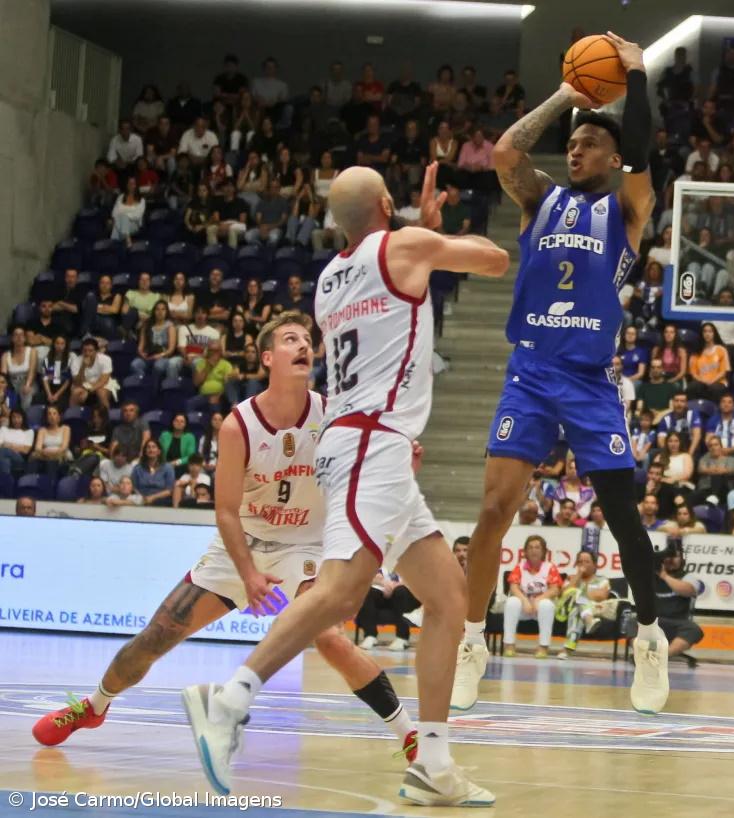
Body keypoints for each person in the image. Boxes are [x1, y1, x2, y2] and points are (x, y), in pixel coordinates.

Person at [181, 163, 508, 807]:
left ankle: (433, 763)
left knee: (448, 600)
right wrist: (428, 234)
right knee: (338, 593)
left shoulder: (331, 278)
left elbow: (389, 276)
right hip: (371, 442)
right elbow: (496, 259)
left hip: (363, 441)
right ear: (389, 204)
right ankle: (228, 700)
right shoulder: (405, 245)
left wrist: (420, 236)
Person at [33, 312, 419, 763]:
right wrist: (249, 574)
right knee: (158, 634)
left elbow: (366, 470)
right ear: (268, 357)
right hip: (245, 543)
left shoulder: (332, 414)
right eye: (291, 338)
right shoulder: (239, 425)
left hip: (306, 547)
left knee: (330, 638)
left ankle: (411, 737)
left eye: (308, 340)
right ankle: (93, 707)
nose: (303, 346)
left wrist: (401, 464)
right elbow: (225, 512)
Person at [454, 33, 670, 717]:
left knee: (620, 516)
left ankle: (649, 636)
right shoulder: (538, 201)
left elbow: (640, 149)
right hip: (530, 372)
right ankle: (469, 640)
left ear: (611, 157)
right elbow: (506, 154)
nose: (575, 150)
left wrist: (634, 77)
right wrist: (565, 97)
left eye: (588, 144)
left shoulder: (628, 208)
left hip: (586, 379)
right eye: (573, 144)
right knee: (492, 510)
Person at [501, 535, 562, 658]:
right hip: (525, 607)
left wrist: (539, 599)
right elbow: (513, 587)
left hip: (541, 607)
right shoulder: (520, 566)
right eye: (530, 547)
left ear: (543, 551)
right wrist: (524, 601)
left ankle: (543, 647)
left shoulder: (550, 567)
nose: (534, 550)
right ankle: (509, 645)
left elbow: (555, 589)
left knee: (547, 605)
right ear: (526, 551)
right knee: (512, 602)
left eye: (537, 547)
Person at [653, 541, 704, 662]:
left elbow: (688, 590)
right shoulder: (650, 576)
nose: (671, 560)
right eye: (668, 556)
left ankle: (661, 657)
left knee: (694, 630)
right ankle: (645, 654)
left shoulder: (688, 577)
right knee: (633, 622)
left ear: (682, 559)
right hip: (654, 622)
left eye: (675, 557)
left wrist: (664, 576)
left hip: (678, 623)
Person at [358, 569, 420, 651]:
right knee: (368, 592)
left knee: (400, 591)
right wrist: (384, 583)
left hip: (407, 594)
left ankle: (402, 637)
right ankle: (370, 635)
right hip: (384, 591)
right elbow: (368, 577)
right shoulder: (381, 561)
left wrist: (396, 585)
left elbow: (419, 579)